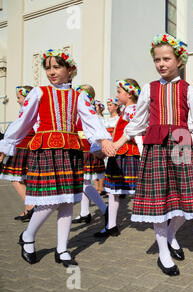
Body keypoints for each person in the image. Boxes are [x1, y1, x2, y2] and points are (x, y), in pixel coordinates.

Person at [113, 33, 193, 276]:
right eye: (157, 60)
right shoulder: (148, 89)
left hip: (181, 146)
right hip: (156, 149)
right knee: (158, 201)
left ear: (179, 60)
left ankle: (172, 234)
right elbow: (137, 122)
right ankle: (163, 251)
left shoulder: (189, 90)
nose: (161, 64)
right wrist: (118, 142)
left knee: (188, 198)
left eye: (166, 59)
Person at [0, 49, 114, 266]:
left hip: (70, 152)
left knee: (67, 201)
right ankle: (28, 236)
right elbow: (23, 120)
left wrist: (102, 139)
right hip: (46, 152)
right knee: (47, 202)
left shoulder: (78, 96)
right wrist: (6, 145)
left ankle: (62, 248)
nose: (51, 72)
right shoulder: (39, 92)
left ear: (70, 70)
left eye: (57, 67)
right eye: (48, 68)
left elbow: (90, 119)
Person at [94, 79, 141, 238]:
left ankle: (160, 219)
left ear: (129, 94)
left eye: (119, 92)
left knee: (132, 189)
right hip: (121, 152)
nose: (117, 94)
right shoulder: (127, 110)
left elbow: (136, 130)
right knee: (114, 191)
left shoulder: (132, 110)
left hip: (126, 153)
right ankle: (111, 225)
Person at [72, 85, 108, 225]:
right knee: (84, 181)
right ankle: (85, 212)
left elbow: (95, 130)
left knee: (83, 182)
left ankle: (105, 209)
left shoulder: (89, 111)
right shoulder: (79, 112)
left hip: (87, 150)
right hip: (80, 149)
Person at [0, 86, 36, 222]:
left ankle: (31, 206)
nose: (17, 101)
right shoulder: (31, 111)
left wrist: (3, 150)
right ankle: (28, 208)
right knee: (24, 179)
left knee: (15, 179)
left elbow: (15, 133)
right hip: (27, 147)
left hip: (23, 147)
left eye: (19, 98)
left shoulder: (27, 112)